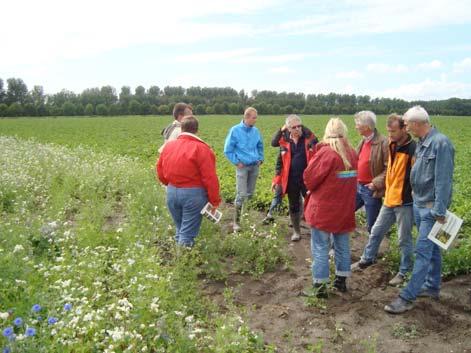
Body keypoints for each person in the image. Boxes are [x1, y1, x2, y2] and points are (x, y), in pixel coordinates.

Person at [385, 106, 454, 314]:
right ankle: (432, 286)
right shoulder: (424, 143)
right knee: (432, 250)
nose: (406, 128)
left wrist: (440, 211)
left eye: (406, 124)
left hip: (432, 209)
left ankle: (407, 297)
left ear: (416, 124)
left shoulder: (440, 143)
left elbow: (443, 180)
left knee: (422, 252)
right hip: (419, 204)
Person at [352, 114, 415, 286]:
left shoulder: (413, 149)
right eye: (388, 131)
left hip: (405, 202)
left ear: (404, 128)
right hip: (389, 198)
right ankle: (367, 259)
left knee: (404, 238)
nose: (390, 135)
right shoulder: (392, 144)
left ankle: (404, 271)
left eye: (393, 131)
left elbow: (416, 177)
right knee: (376, 231)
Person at [303, 118, 357, 297]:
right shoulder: (352, 153)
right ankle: (341, 281)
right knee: (342, 245)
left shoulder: (327, 153)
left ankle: (319, 287)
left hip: (324, 209)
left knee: (320, 247)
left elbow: (309, 179)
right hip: (344, 208)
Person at [157, 115, 221, 247]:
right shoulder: (202, 149)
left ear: (181, 129)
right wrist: (214, 201)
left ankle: (179, 256)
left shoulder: (169, 146)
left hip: (171, 192)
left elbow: (159, 170)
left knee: (180, 228)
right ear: (197, 130)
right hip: (193, 195)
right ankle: (182, 264)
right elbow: (210, 178)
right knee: (186, 234)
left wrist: (168, 184)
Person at [267, 114, 318, 241]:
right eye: (294, 127)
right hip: (291, 179)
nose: (297, 129)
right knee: (293, 205)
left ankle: (317, 232)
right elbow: (279, 162)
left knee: (313, 203)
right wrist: (277, 179)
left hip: (307, 179)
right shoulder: (285, 141)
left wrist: (302, 127)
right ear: (288, 129)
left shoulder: (308, 139)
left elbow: (316, 141)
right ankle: (296, 231)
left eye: (299, 126)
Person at [224, 107, 264, 232]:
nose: (256, 120)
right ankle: (236, 222)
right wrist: (236, 162)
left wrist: (260, 158)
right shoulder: (235, 130)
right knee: (241, 194)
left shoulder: (256, 131)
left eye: (256, 117)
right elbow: (227, 150)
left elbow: (260, 145)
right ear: (246, 117)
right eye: (254, 118)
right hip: (242, 167)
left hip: (254, 166)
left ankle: (245, 217)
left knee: (250, 194)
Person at [354, 110, 388, 233]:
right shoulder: (363, 140)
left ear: (367, 127)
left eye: (357, 124)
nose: (355, 127)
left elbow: (389, 168)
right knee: (345, 212)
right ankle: (334, 246)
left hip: (371, 189)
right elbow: (356, 162)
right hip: (357, 187)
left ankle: (372, 251)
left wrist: (375, 183)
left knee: (372, 225)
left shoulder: (383, 143)